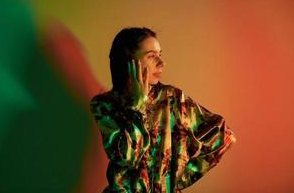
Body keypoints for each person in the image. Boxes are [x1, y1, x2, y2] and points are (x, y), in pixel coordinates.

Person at [90, 27, 236, 193]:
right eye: (152, 56)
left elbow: (223, 136)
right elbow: (127, 158)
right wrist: (138, 105)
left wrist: (179, 177)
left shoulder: (172, 98)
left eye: (160, 54)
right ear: (128, 61)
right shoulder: (104, 105)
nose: (161, 63)